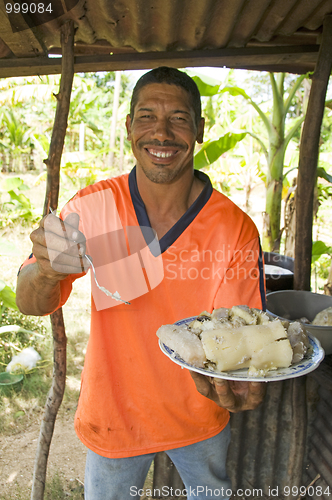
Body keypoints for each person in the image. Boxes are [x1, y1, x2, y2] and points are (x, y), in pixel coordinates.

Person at [16, 67, 266, 500]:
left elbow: (236, 330)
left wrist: (247, 376)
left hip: (200, 411)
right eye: (147, 117)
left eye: (179, 119)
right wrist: (46, 270)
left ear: (200, 130)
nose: (162, 133)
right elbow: (30, 301)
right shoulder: (93, 209)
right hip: (115, 415)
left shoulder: (233, 228)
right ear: (130, 127)